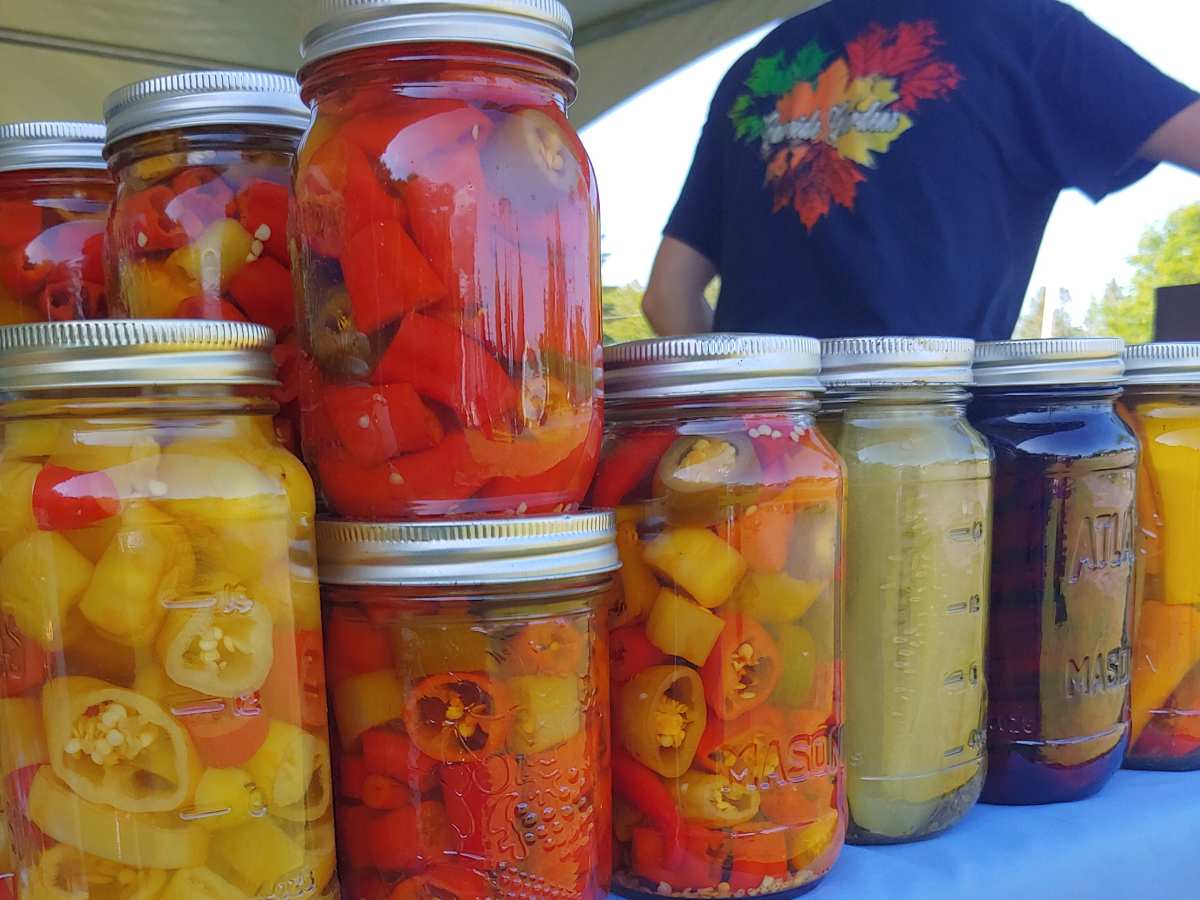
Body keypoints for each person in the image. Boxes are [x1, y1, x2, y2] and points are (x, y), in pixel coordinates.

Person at [642, 0, 1200, 339]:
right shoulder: (1028, 34)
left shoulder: (760, 65)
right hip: (938, 469)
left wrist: (756, 403)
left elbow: (666, 295)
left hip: (763, 471)